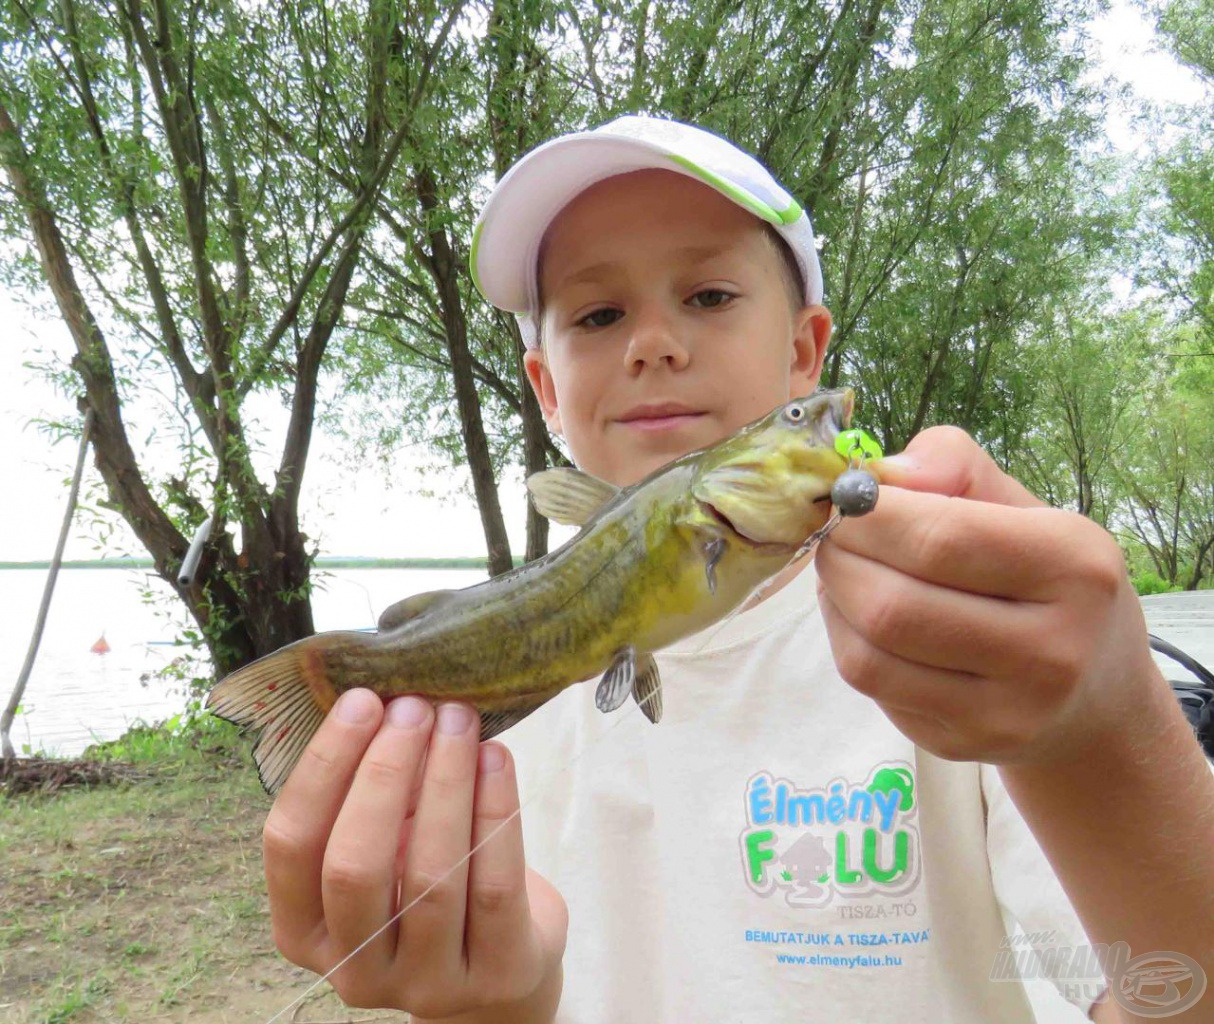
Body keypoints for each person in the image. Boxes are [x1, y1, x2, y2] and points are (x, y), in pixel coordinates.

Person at [259, 116, 1214, 1023]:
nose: (654, 343)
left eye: (709, 297)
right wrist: (477, 1006)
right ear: (547, 388)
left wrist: (1108, 738)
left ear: (805, 353)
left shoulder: (964, 662)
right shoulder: (480, 747)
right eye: (597, 313)